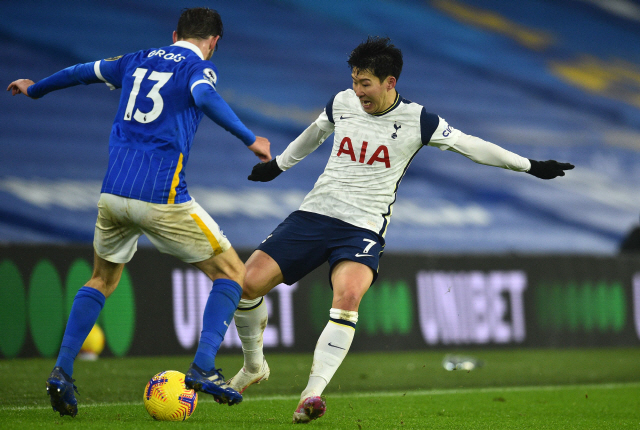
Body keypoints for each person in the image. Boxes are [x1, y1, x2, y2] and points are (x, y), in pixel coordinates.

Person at [225, 36, 574, 424]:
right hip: (313, 215)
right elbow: (315, 132)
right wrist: (279, 166)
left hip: (362, 227)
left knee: (348, 298)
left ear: (390, 82)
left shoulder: (418, 120)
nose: (358, 92)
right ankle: (254, 367)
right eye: (355, 82)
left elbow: (471, 146)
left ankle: (312, 394)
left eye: (366, 84)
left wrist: (529, 165)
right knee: (246, 285)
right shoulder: (342, 102)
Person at [7, 7, 270, 417]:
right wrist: (250, 138)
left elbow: (82, 71)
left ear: (174, 33)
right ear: (214, 42)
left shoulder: (136, 59)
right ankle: (202, 367)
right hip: (162, 195)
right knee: (232, 274)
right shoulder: (197, 67)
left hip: (113, 193)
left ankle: (61, 369)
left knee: (101, 279)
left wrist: (36, 88)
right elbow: (202, 95)